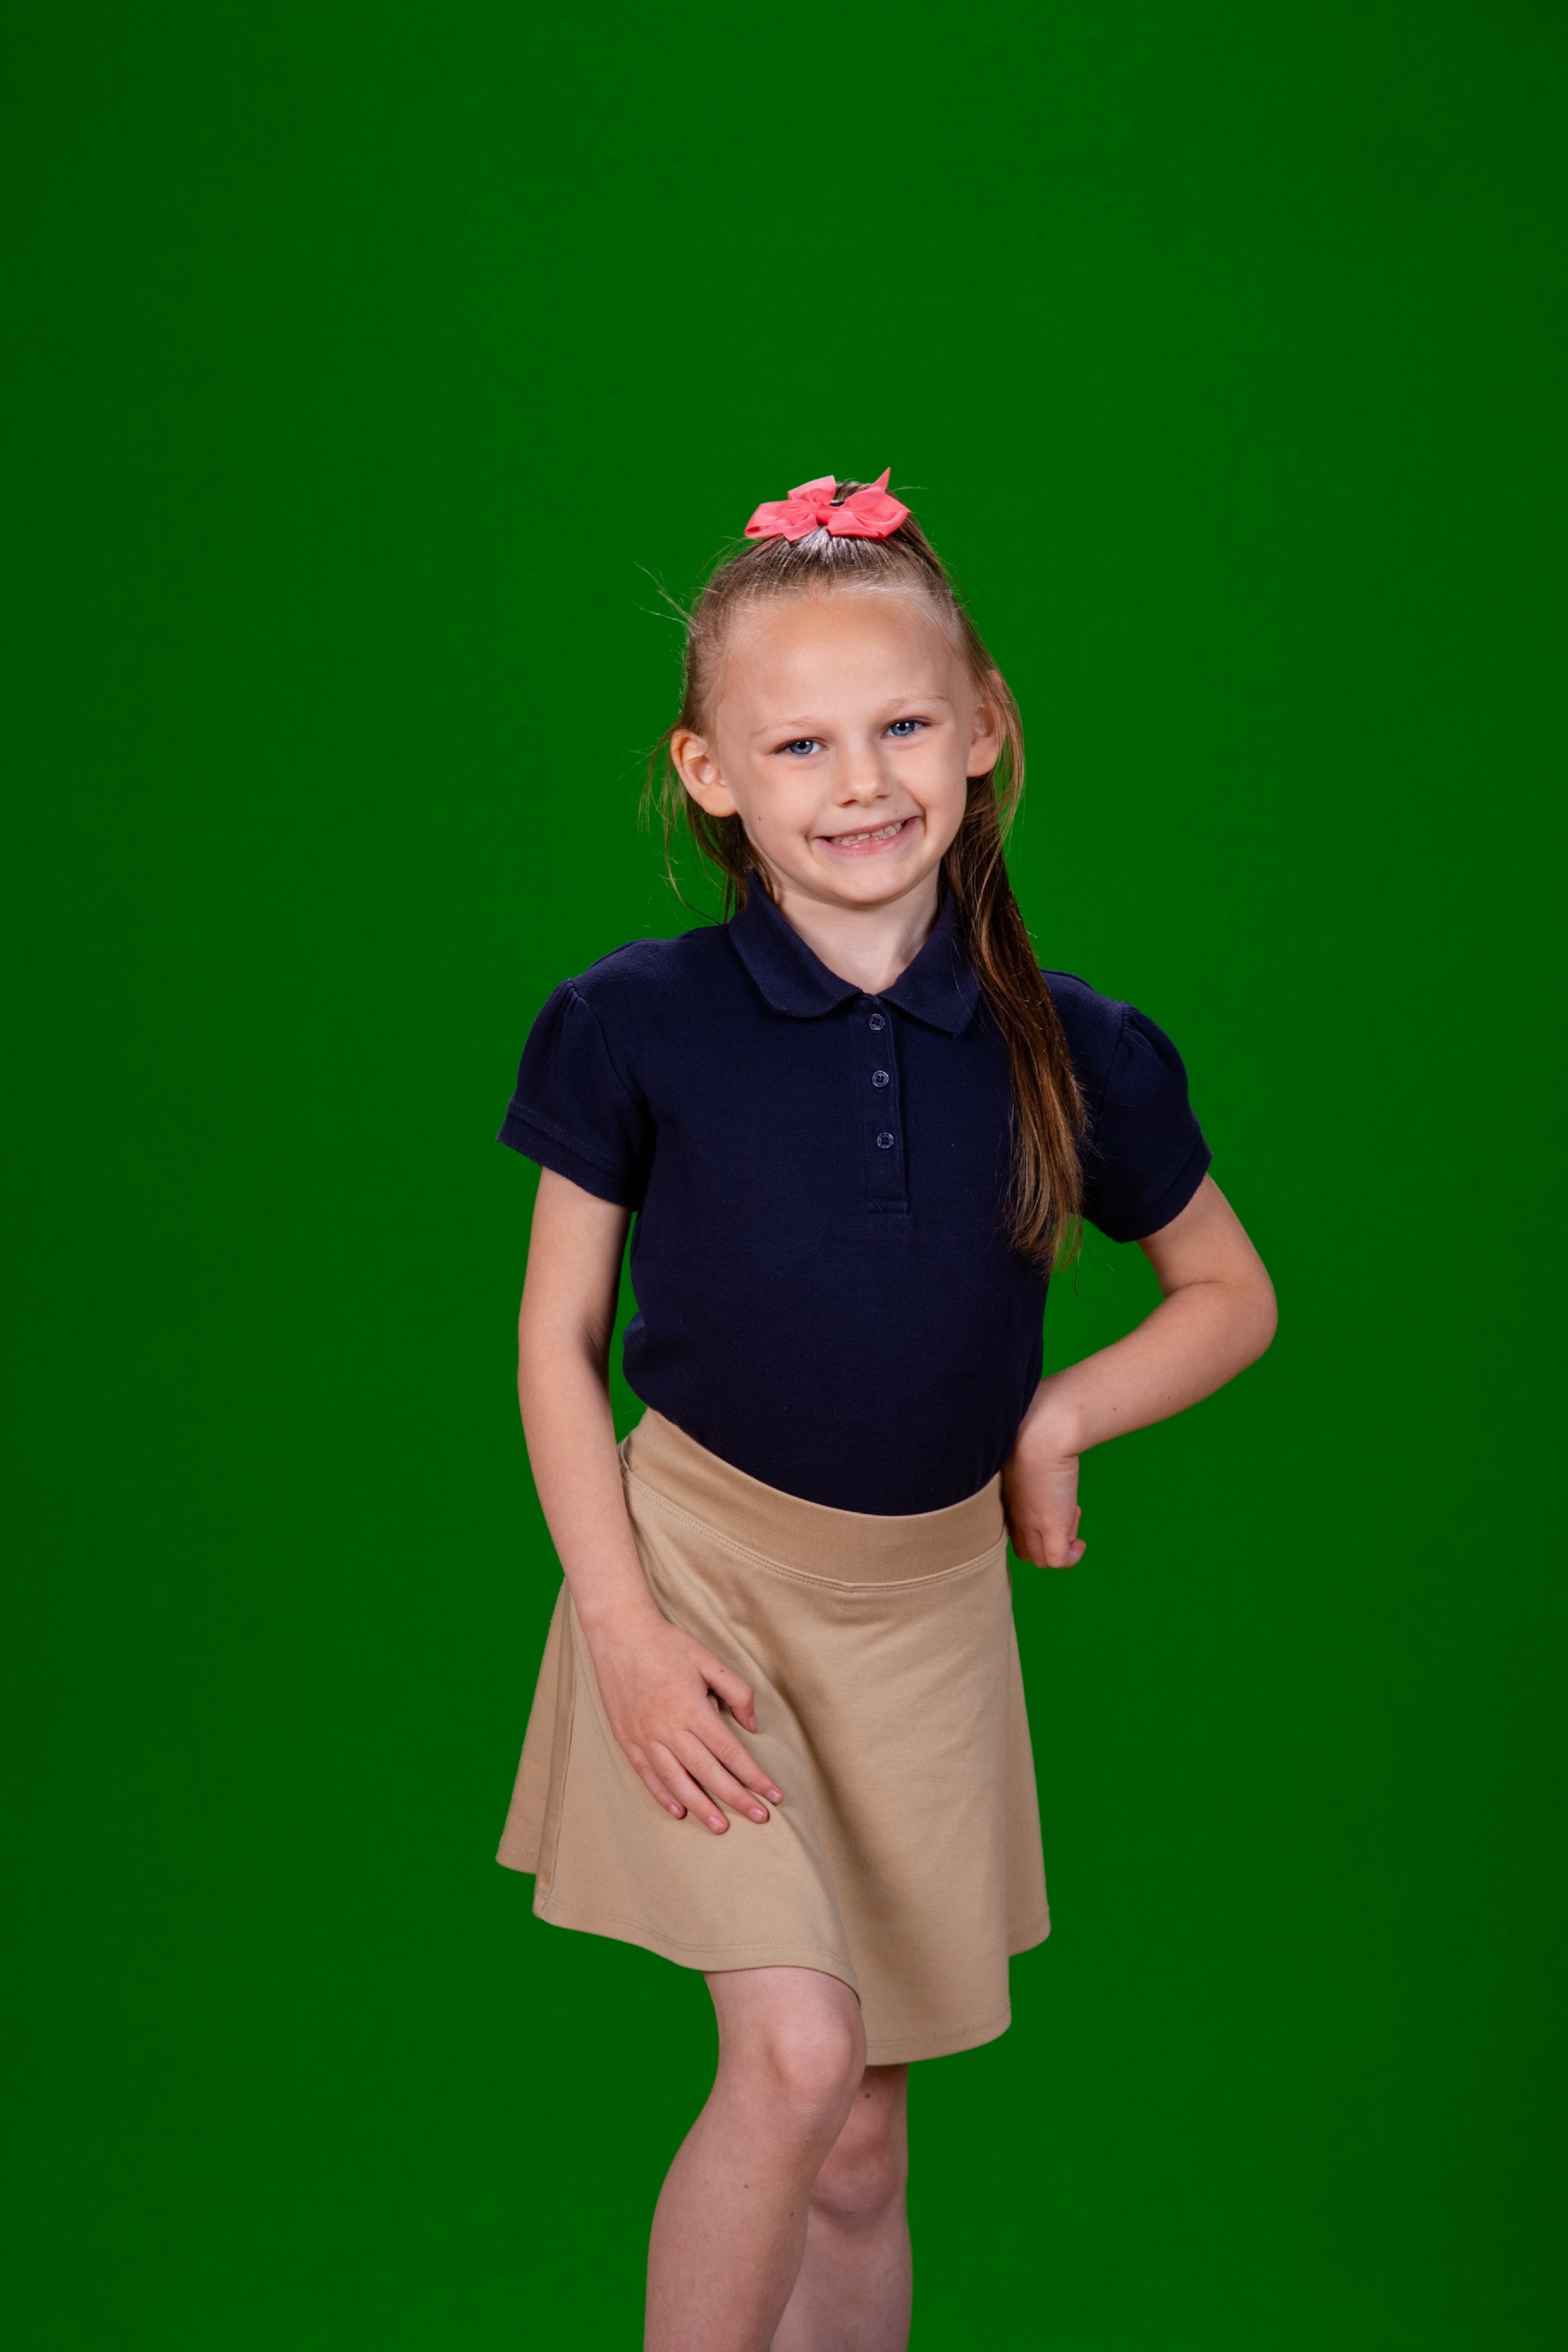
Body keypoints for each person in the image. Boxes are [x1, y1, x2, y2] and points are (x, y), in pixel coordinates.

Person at [495, 472, 1277, 2352]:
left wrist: (1053, 1422)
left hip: (928, 1619)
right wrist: (623, 1631)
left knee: (859, 2144)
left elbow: (1231, 1296)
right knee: (793, 2050)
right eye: (801, 744)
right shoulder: (631, 1023)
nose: (861, 783)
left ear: (985, 726)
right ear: (709, 776)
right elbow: (555, 1343)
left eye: (904, 727)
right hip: (696, 1590)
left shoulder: (1078, 1047)